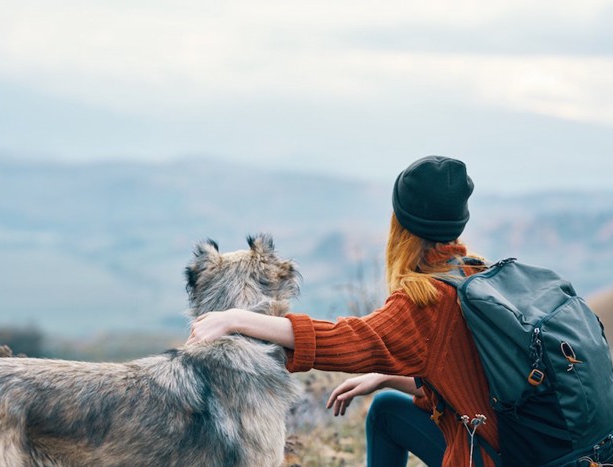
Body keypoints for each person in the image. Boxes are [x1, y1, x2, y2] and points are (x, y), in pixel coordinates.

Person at [186, 156, 499, 467]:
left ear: (401, 225)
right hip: (516, 448)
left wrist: (234, 318)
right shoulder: (476, 275)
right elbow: (464, 383)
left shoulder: (426, 300)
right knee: (386, 409)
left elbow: (345, 339)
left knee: (385, 413)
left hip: (481, 457)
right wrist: (385, 379)